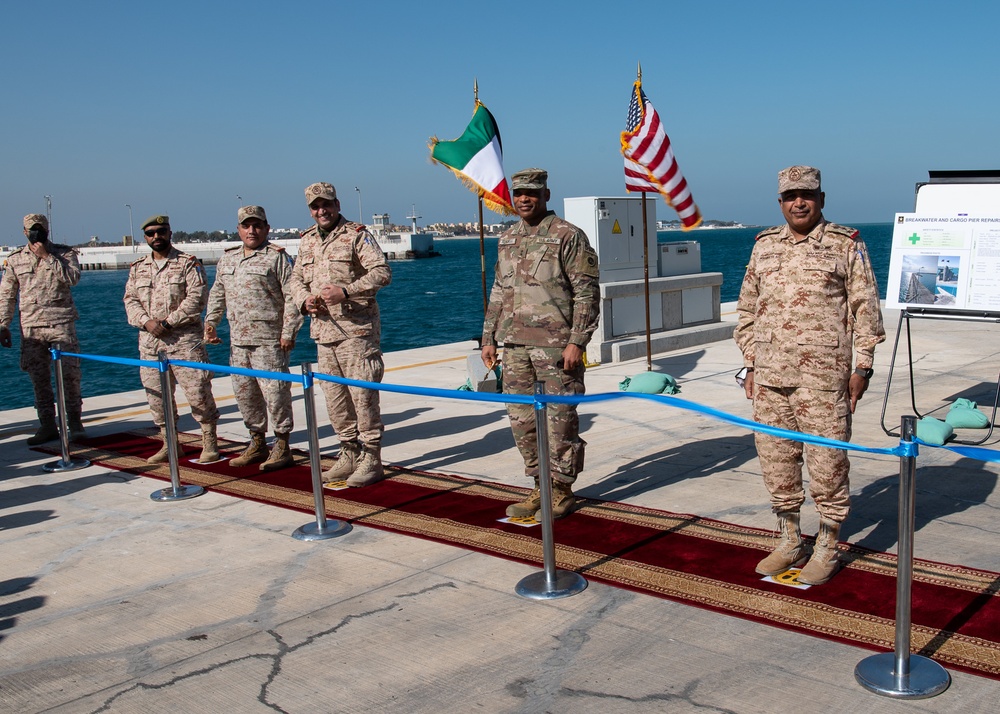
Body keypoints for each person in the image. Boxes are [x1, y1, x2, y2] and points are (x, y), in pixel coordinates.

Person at [734, 166, 885, 585]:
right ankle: (788, 540)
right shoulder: (763, 246)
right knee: (777, 463)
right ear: (779, 202)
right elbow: (746, 310)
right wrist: (752, 362)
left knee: (827, 466)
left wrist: (863, 366)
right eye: (790, 196)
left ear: (821, 198)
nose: (798, 202)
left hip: (823, 381)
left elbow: (865, 309)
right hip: (769, 380)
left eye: (807, 195)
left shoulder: (844, 244)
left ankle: (826, 545)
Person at [481, 168, 600, 520]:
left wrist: (577, 341)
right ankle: (539, 485)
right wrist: (488, 337)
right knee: (522, 421)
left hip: (556, 346)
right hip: (514, 346)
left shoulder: (567, 236)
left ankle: (561, 489)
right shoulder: (507, 238)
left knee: (560, 420)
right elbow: (499, 292)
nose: (524, 199)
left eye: (531, 192)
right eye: (518, 193)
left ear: (546, 194)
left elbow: (587, 293)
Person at [290, 182, 391, 486]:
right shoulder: (307, 241)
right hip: (323, 332)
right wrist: (302, 300)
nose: (322, 211)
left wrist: (346, 291)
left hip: (356, 333)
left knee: (362, 398)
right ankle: (349, 451)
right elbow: (296, 278)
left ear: (337, 204)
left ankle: (371, 458)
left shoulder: (356, 235)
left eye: (327, 205)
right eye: (315, 207)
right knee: (335, 399)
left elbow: (382, 272)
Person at [204, 205, 302, 471]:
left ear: (267, 228)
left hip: (270, 341)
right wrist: (210, 323)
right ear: (238, 229)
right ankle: (257, 442)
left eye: (257, 225)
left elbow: (292, 296)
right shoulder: (227, 259)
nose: (252, 231)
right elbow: (217, 293)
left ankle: (282, 444)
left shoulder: (277, 258)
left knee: (276, 394)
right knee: (245, 394)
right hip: (238, 342)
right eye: (246, 226)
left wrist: (288, 332)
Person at [124, 215, 221, 464]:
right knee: (157, 397)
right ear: (145, 237)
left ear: (170, 232)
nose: (156, 236)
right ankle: (169, 443)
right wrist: (147, 322)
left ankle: (209, 442)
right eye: (151, 233)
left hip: (184, 342)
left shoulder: (188, 263)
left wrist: (167, 323)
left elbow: (197, 299)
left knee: (198, 392)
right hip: (150, 344)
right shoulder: (137, 268)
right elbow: (130, 300)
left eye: (161, 231)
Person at [0, 214, 86, 444]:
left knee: (70, 376)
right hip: (31, 329)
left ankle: (75, 422)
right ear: (24, 231)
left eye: (40, 229)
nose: (36, 233)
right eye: (32, 230)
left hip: (61, 324)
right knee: (39, 379)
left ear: (47, 230)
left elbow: (73, 278)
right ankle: (47, 424)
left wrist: (47, 257)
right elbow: (7, 295)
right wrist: (3, 325)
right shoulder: (15, 260)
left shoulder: (64, 254)